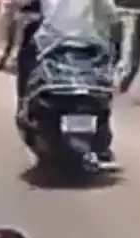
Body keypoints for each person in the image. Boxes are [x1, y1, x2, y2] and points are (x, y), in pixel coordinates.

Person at [13, 0, 119, 165]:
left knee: (24, 59)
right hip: (91, 46)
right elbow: (112, 17)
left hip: (51, 44)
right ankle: (103, 132)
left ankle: (22, 107)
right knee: (103, 82)